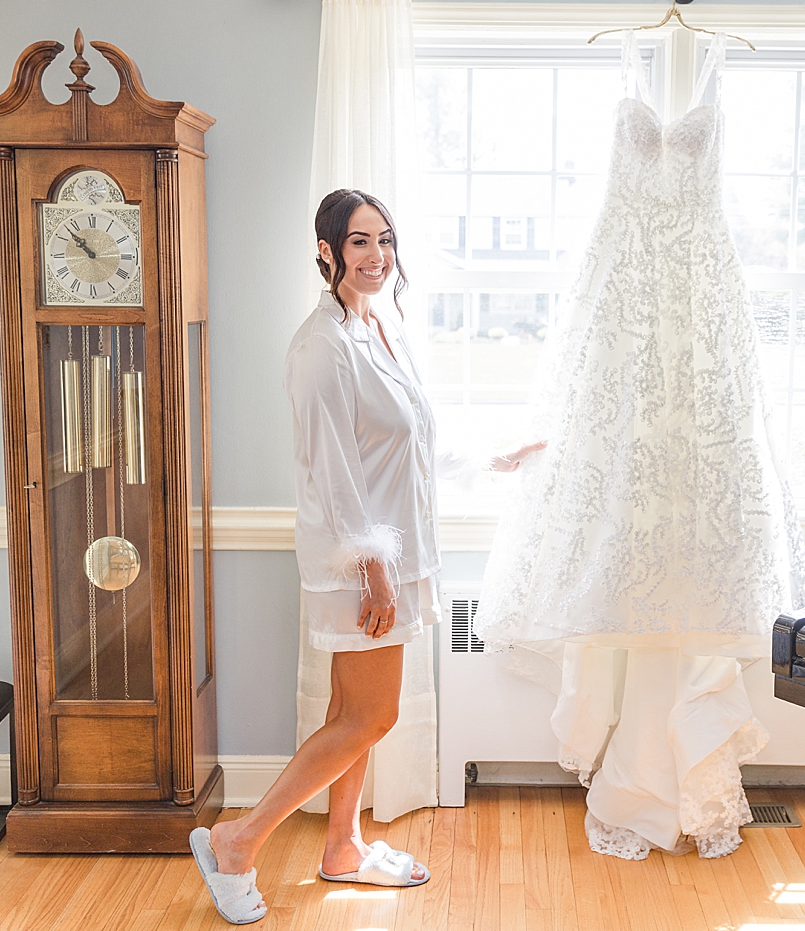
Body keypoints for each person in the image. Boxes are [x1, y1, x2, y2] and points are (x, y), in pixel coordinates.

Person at [189, 188, 544, 924]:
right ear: (326, 251)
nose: (377, 255)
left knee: (350, 707)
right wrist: (373, 566)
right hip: (362, 566)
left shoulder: (378, 325)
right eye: (359, 242)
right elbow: (333, 470)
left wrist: (497, 457)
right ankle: (239, 839)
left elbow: (409, 439)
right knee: (371, 716)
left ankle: (343, 844)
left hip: (396, 557)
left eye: (384, 239)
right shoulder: (320, 347)